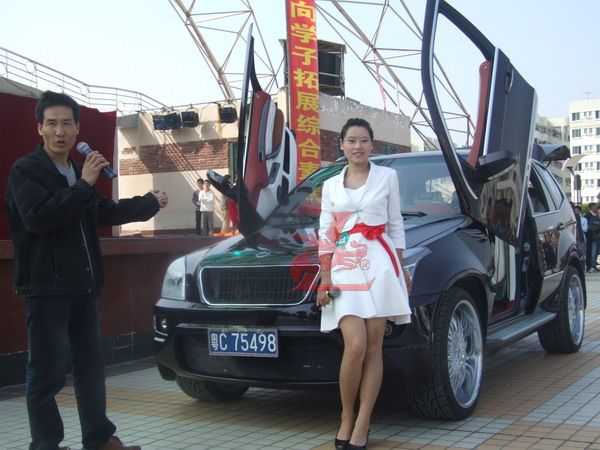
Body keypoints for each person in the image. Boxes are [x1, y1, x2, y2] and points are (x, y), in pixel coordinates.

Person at [5, 91, 168, 450]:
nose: (60, 131)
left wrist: (148, 204)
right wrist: (83, 186)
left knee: (91, 369)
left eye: (67, 123)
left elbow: (102, 212)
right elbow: (39, 218)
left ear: (78, 129)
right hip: (46, 289)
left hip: (83, 287)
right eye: (52, 123)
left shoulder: (78, 172)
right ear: (39, 128)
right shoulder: (26, 171)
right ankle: (45, 445)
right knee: (46, 374)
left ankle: (98, 439)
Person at [316, 118, 412, 450]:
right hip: (344, 266)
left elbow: (396, 223)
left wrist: (402, 268)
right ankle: (346, 415)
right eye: (352, 140)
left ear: (372, 145)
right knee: (354, 345)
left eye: (364, 140)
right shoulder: (330, 185)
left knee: (373, 346)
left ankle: (363, 421)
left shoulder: (387, 177)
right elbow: (326, 231)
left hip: (381, 265)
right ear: (341, 145)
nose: (358, 146)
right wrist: (325, 277)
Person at [586, 203, 600, 272]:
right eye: (595, 207)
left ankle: (594, 265)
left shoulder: (597, 216)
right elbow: (589, 227)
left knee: (596, 252)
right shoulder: (588, 216)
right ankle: (591, 266)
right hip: (592, 238)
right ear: (591, 207)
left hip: (597, 237)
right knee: (593, 252)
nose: (596, 208)